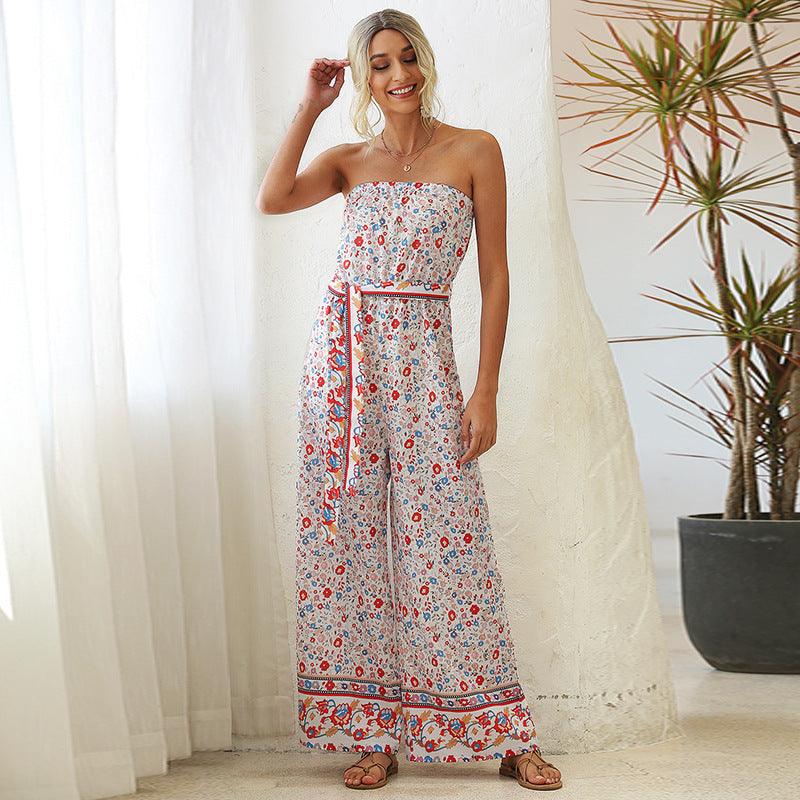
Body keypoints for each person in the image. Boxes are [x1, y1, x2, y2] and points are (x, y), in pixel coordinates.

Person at [256, 8, 563, 792]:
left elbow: (495, 275)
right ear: (365, 78)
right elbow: (274, 198)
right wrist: (310, 106)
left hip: (426, 366)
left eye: (407, 58)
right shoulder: (348, 159)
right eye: (381, 64)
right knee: (349, 547)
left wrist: (485, 388)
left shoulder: (475, 150)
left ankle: (504, 733)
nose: (399, 75)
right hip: (342, 366)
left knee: (449, 543)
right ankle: (373, 734)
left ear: (423, 63)